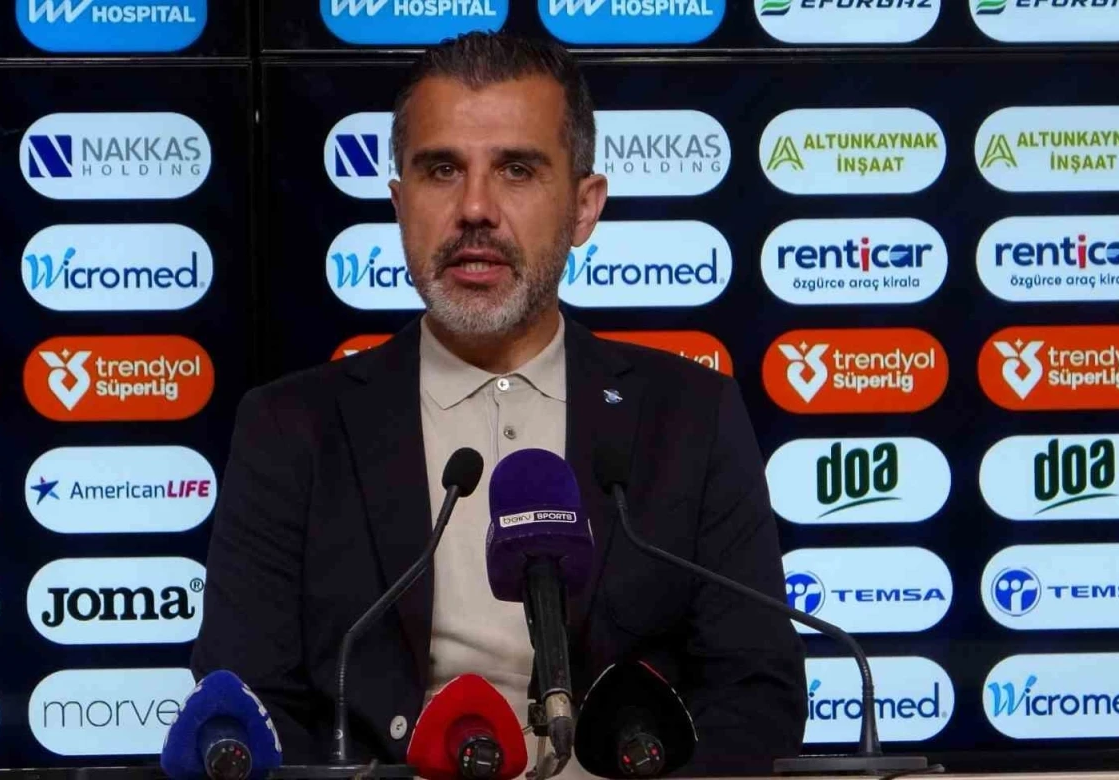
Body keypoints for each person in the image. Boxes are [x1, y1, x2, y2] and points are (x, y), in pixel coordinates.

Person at [192, 31, 806, 777]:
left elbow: (755, 691)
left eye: (517, 170)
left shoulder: (692, 417)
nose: (475, 208)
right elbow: (250, 704)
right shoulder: (290, 429)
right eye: (441, 170)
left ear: (583, 208)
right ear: (400, 205)